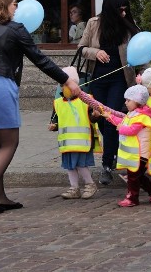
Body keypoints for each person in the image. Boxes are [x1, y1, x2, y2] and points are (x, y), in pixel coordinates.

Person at [0, 0, 81, 214]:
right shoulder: (15, 29)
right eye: (14, 2)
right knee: (9, 143)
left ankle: (0, 197)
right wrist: (67, 80)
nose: (17, 6)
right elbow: (40, 60)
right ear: (5, 4)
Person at [77, 0, 141, 185]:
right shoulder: (94, 24)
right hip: (98, 79)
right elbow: (81, 49)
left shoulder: (130, 27)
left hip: (120, 80)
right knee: (99, 119)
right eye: (119, 9)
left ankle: (106, 165)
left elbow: (141, 51)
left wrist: (143, 75)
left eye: (125, 8)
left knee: (111, 119)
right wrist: (96, 53)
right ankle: (114, 152)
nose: (123, 12)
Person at [100, 85, 151, 207]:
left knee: (133, 177)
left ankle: (132, 198)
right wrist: (110, 117)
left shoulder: (142, 117)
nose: (126, 102)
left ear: (138, 101)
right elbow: (123, 122)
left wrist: (121, 128)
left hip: (141, 155)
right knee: (136, 176)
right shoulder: (132, 114)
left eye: (128, 100)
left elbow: (132, 130)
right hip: (135, 155)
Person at [48, 67, 98, 200]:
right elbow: (56, 120)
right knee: (70, 166)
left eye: (66, 85)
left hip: (82, 141)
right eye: (62, 85)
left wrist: (95, 115)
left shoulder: (86, 100)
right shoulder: (58, 103)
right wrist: (53, 126)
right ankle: (74, 188)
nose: (64, 88)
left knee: (81, 165)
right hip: (67, 142)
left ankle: (90, 184)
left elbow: (92, 118)